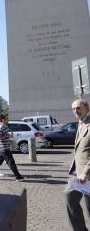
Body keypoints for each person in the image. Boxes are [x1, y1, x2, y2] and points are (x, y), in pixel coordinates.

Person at [65, 98, 90, 231]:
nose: (76, 111)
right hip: (77, 173)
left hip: (86, 174)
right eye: (73, 109)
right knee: (69, 197)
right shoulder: (80, 123)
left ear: (87, 108)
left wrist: (86, 172)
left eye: (78, 108)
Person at [0, 114, 24, 181]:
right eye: (7, 118)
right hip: (4, 148)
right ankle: (18, 176)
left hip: (4, 148)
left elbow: (5, 136)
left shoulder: (6, 127)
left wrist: (9, 136)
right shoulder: (1, 127)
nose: (8, 120)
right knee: (11, 162)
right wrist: (7, 135)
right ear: (3, 120)